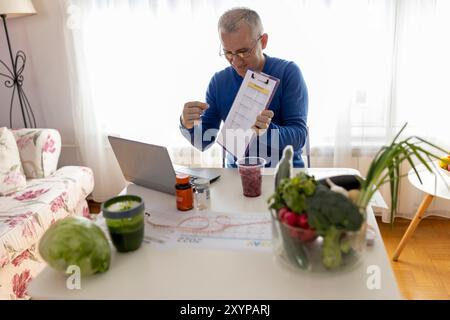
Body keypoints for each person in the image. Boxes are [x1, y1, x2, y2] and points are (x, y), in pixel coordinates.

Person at [179, 7, 308, 167]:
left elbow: (299, 137)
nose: (236, 62)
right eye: (228, 53)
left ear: (264, 41)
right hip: (237, 175)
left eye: (243, 52)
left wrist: (267, 132)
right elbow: (204, 142)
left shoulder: (288, 72)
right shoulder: (219, 82)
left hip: (283, 173)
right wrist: (187, 124)